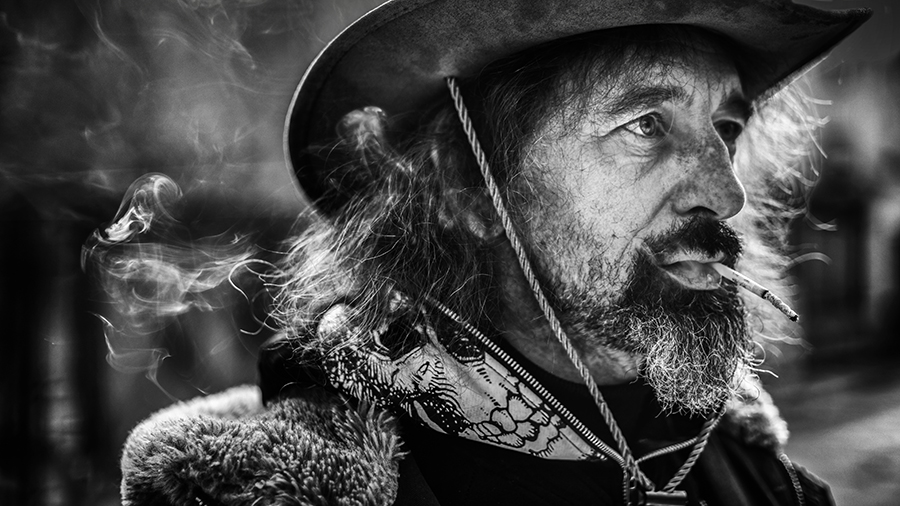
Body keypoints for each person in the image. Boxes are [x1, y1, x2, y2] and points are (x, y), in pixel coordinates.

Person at [117, 0, 871, 505]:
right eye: (646, 124)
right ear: (468, 191)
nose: (725, 191)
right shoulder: (286, 491)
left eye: (726, 130)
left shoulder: (769, 483)